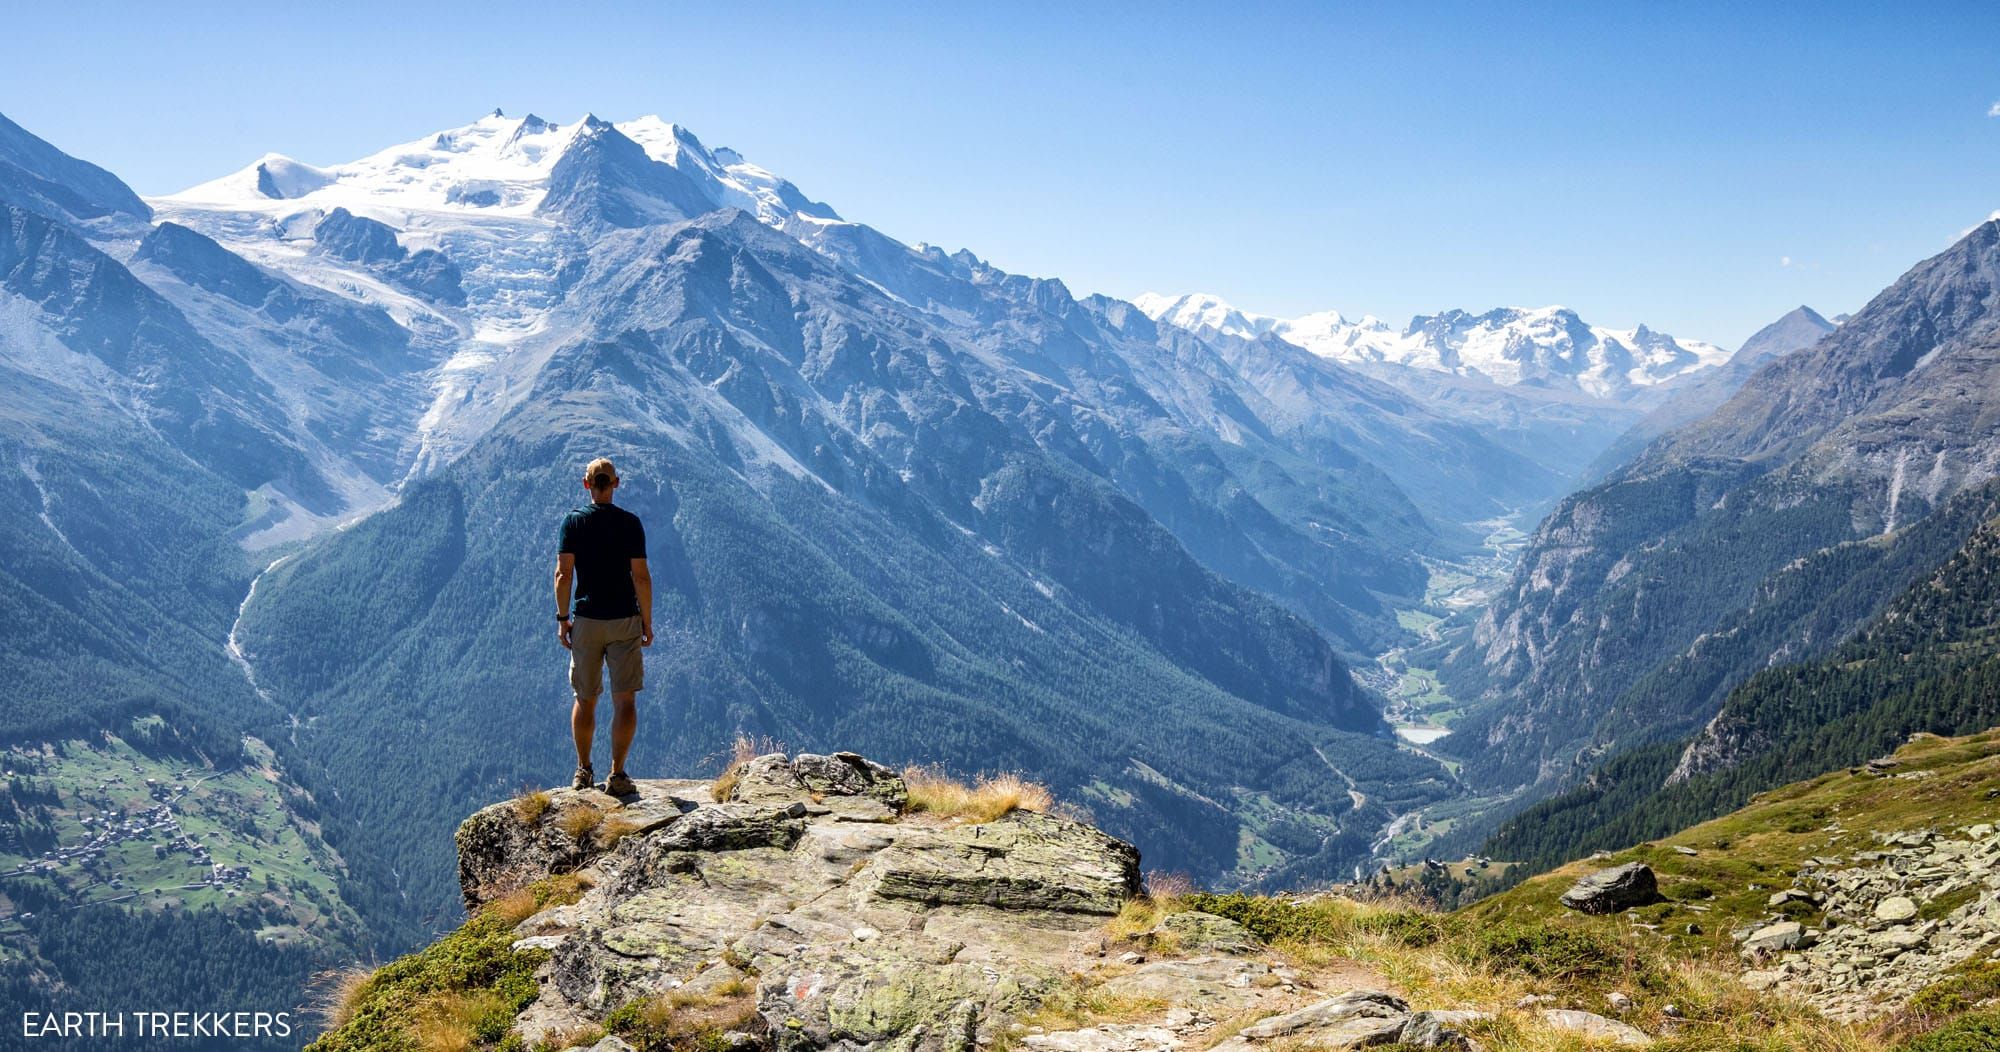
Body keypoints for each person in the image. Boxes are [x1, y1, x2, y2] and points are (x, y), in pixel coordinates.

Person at [554, 457, 652, 796]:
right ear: (616, 483)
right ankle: (618, 774)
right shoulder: (630, 524)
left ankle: (583, 771)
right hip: (624, 619)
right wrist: (647, 623)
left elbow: (564, 574)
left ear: (586, 484)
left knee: (585, 697)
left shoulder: (573, 523)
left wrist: (563, 618)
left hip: (587, 620)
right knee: (624, 700)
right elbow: (641, 577)